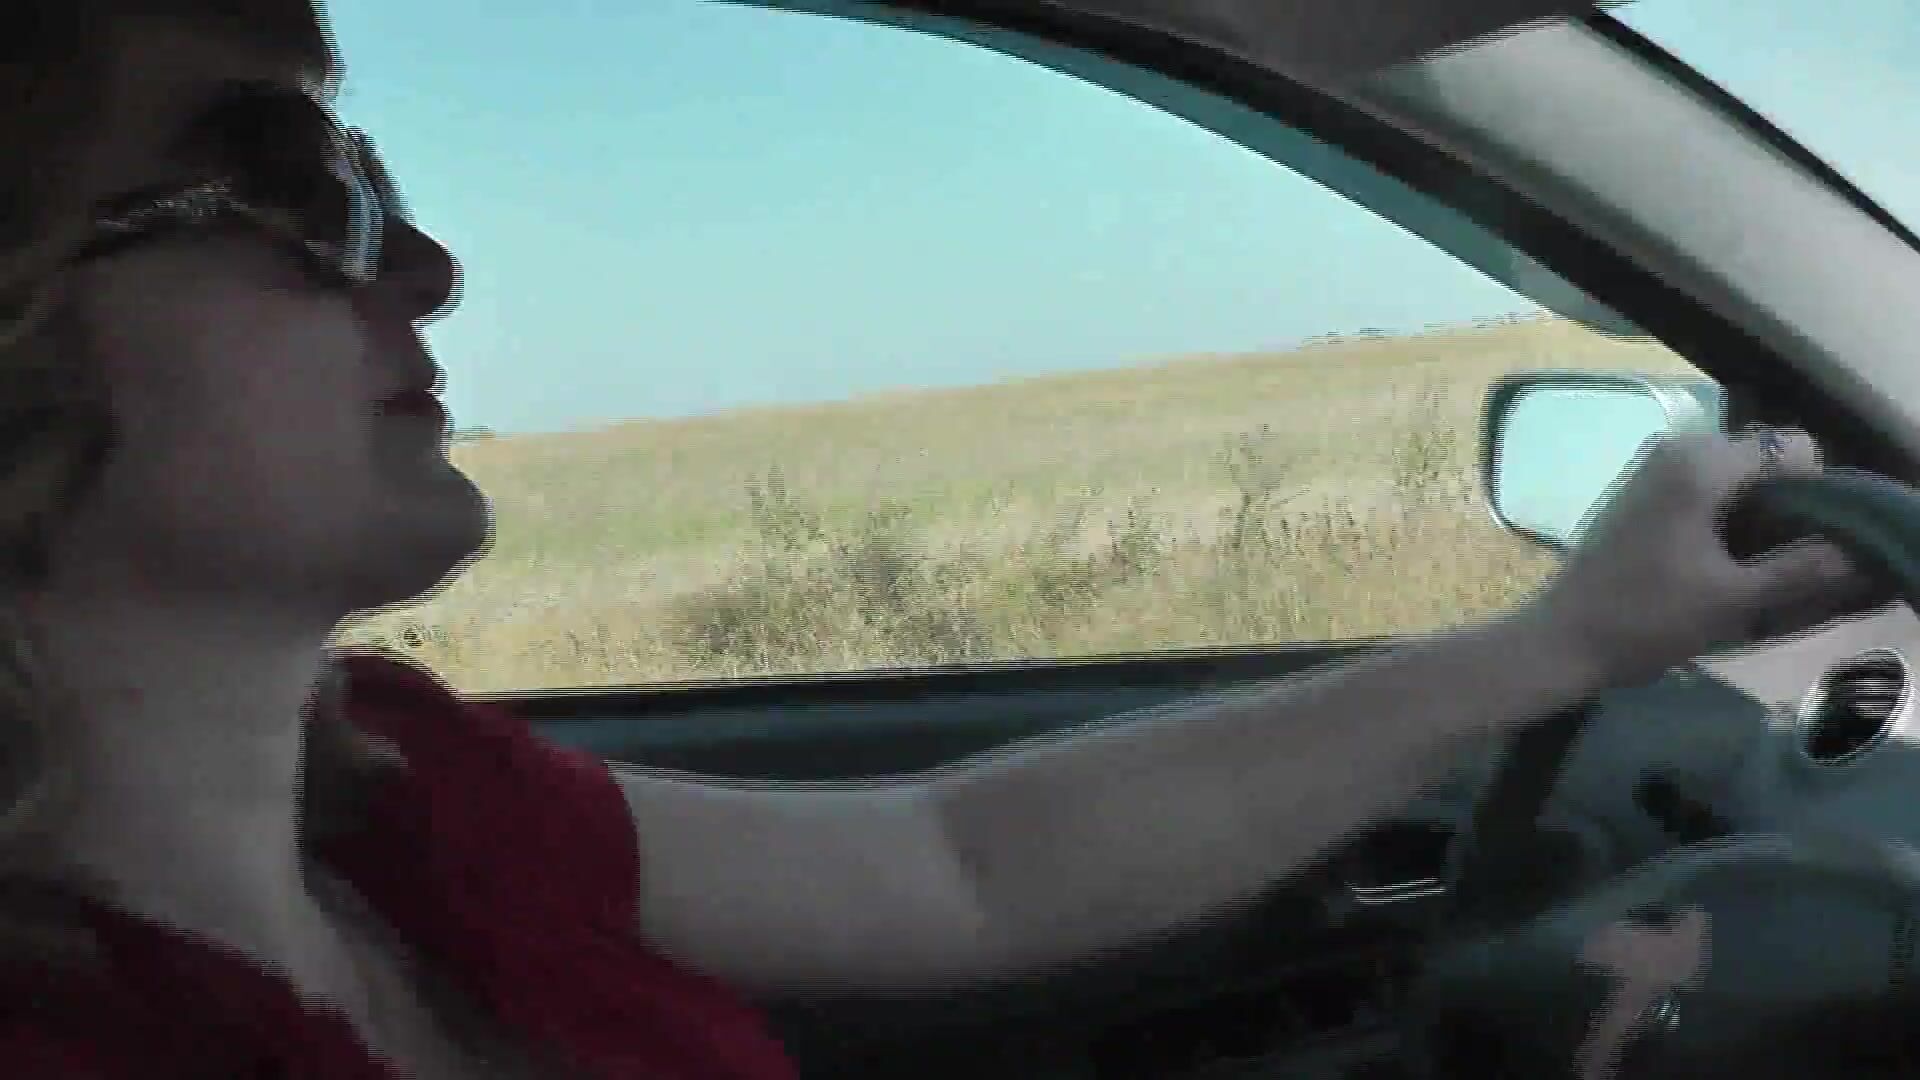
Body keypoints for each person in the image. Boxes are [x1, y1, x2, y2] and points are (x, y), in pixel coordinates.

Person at [0, 1, 1883, 1076]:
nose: (423, 267)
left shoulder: (404, 801)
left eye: (374, 178)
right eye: (287, 184)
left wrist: (1554, 647)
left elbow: (955, 867)